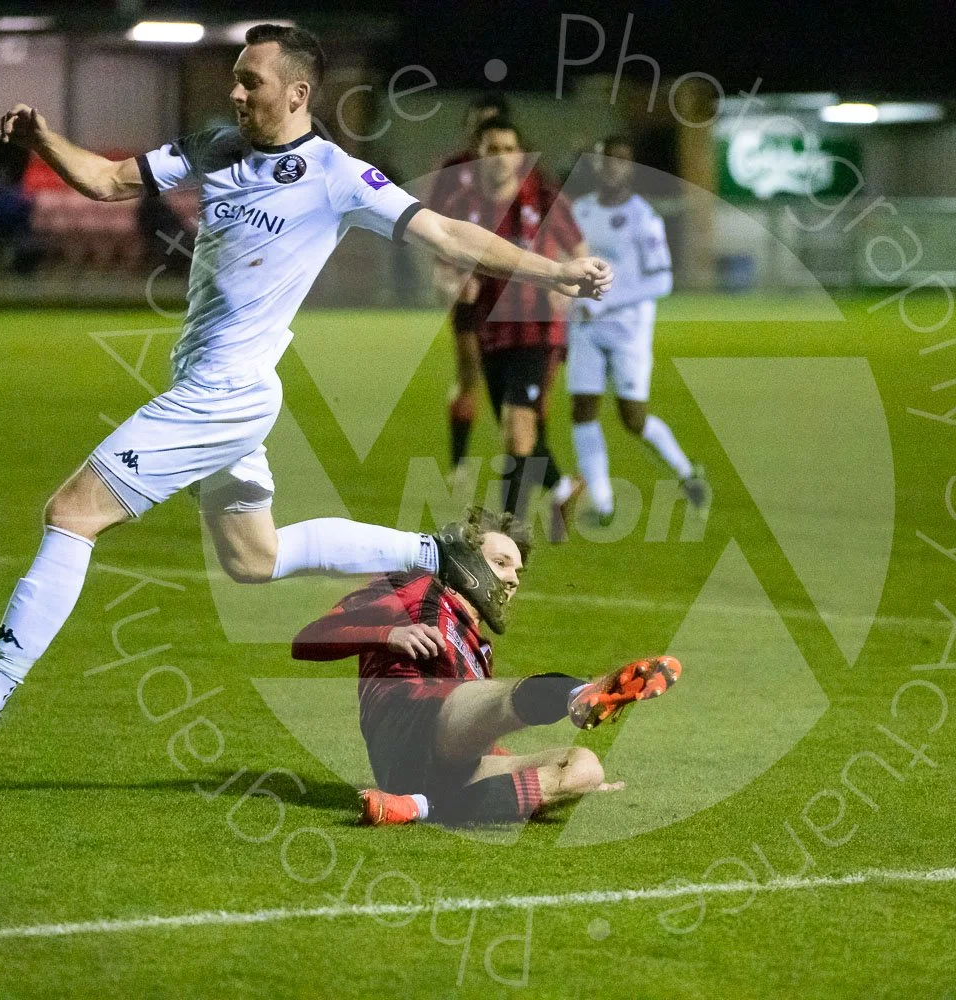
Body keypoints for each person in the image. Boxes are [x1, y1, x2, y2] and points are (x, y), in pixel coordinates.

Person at [0, 23, 613, 744]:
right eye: (235, 77)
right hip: (221, 386)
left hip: (225, 394)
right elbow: (107, 180)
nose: (234, 92)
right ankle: (438, 555)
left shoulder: (336, 175)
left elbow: (450, 235)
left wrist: (556, 271)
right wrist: (44, 138)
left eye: (250, 81)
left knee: (73, 512)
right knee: (252, 557)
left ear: (297, 92)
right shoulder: (215, 146)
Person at [292, 506, 681, 826]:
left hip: (436, 769)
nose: (513, 579)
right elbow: (307, 641)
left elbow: (471, 722)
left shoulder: (480, 649)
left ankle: (417, 808)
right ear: (465, 560)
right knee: (494, 699)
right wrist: (386, 636)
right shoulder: (416, 585)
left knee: (583, 767)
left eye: (517, 572)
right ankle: (578, 693)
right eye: (501, 563)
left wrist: (521, 768)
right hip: (404, 728)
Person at [437, 119, 585, 539]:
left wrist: (571, 292)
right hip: (490, 333)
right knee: (516, 426)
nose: (500, 157)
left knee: (519, 423)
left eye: (507, 148)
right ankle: (562, 486)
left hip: (538, 330)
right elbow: (443, 269)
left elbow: (580, 250)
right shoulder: (465, 206)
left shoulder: (543, 198)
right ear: (478, 154)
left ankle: (507, 533)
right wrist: (454, 286)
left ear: (520, 155)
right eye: (491, 148)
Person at [568, 136, 707, 525]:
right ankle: (603, 503)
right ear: (596, 166)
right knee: (582, 409)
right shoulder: (578, 211)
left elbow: (662, 281)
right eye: (606, 160)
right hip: (585, 329)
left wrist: (607, 301)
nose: (613, 167)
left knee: (632, 418)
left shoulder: (644, 217)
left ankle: (685, 471)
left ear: (631, 168)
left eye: (622, 160)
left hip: (628, 331)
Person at [430, 94, 511, 481]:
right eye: (480, 124)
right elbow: (432, 229)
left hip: (514, 294)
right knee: (470, 372)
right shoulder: (454, 172)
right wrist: (448, 276)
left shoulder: (524, 176)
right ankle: (459, 462)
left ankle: (520, 455)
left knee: (514, 378)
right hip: (471, 290)